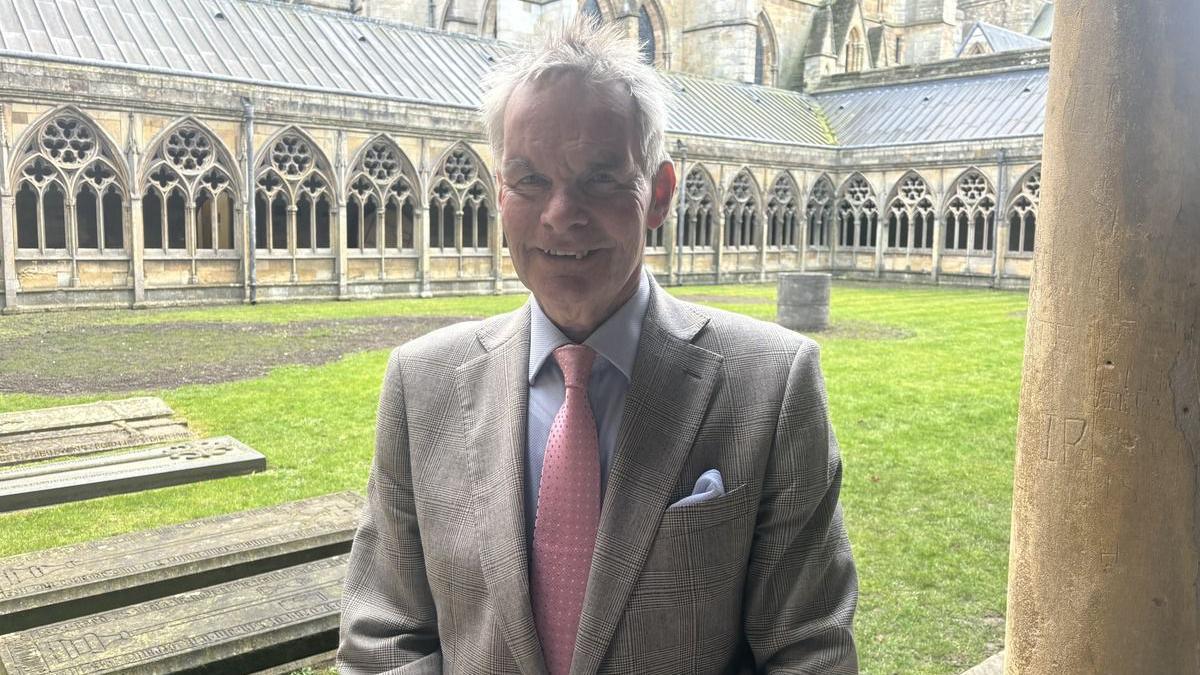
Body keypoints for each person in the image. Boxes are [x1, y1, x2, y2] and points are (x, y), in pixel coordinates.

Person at [338, 17, 857, 674]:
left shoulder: (770, 385)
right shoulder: (422, 383)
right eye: (530, 180)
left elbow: (809, 650)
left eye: (600, 178)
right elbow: (386, 634)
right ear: (500, 193)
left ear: (659, 194)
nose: (561, 213)